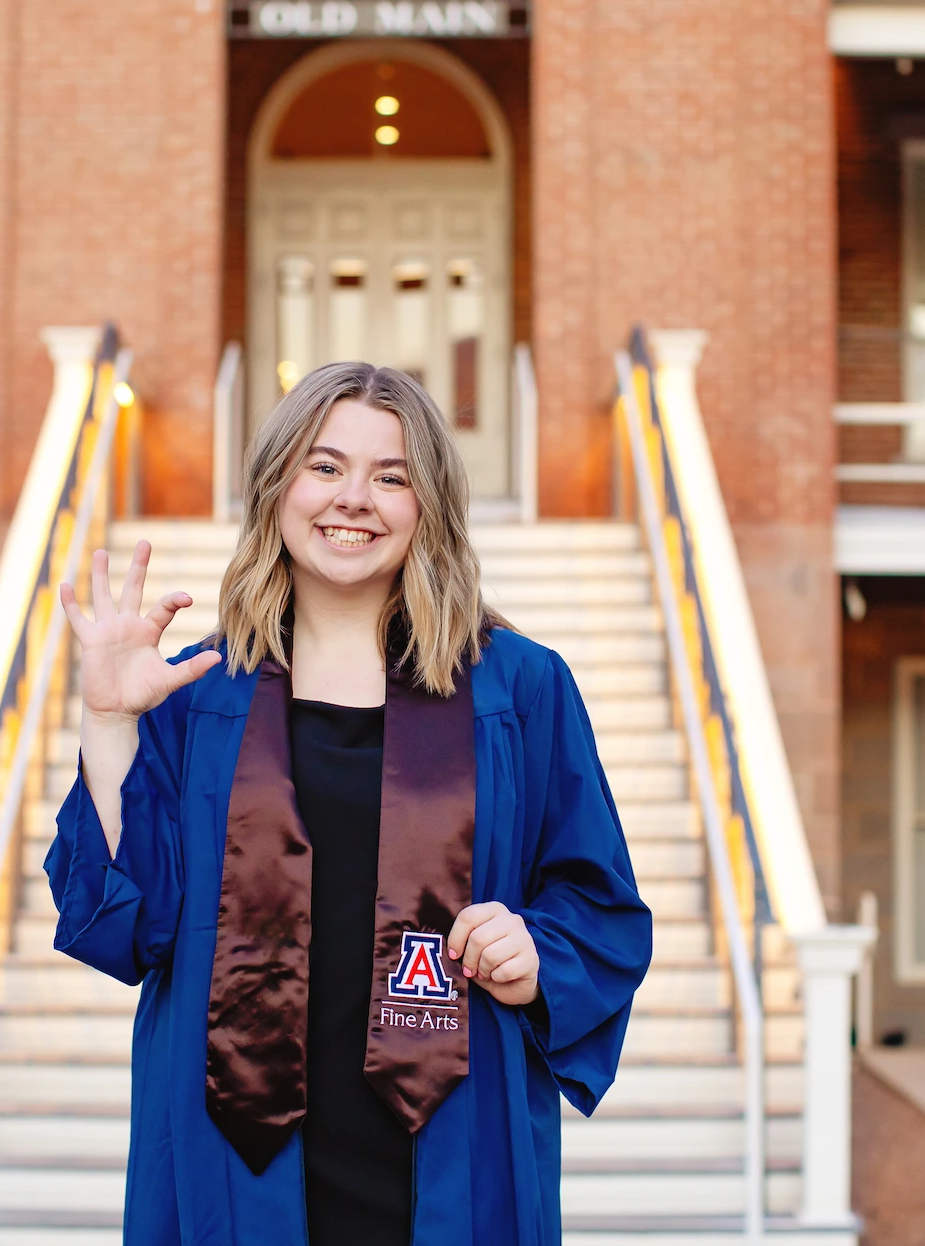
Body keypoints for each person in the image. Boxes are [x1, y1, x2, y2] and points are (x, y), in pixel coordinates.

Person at [46, 362, 652, 1246]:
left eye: (392, 476)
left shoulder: (518, 689)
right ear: (276, 486)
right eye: (324, 467)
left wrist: (535, 952)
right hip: (232, 1157)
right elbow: (122, 927)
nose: (354, 499)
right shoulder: (198, 694)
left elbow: (599, 907)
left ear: (429, 504)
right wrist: (107, 723)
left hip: (451, 1149)